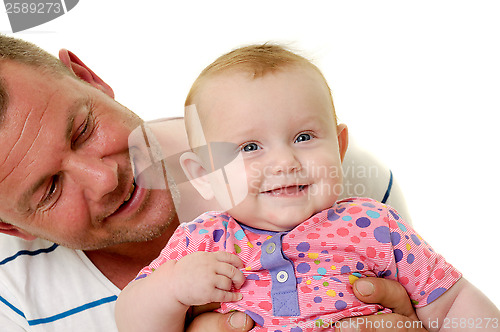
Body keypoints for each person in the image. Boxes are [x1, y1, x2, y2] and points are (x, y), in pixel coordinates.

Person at [0, 33, 428, 332]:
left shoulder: (319, 174)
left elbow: (440, 301)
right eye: (50, 189)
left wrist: (414, 321)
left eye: (83, 130)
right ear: (10, 227)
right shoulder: (11, 303)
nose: (105, 179)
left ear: (89, 77)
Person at [115, 44, 499, 332]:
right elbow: (134, 321)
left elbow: (451, 304)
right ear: (205, 174)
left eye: (304, 137)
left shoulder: (374, 225)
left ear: (340, 146)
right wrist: (171, 289)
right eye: (250, 147)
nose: (284, 162)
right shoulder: (203, 242)